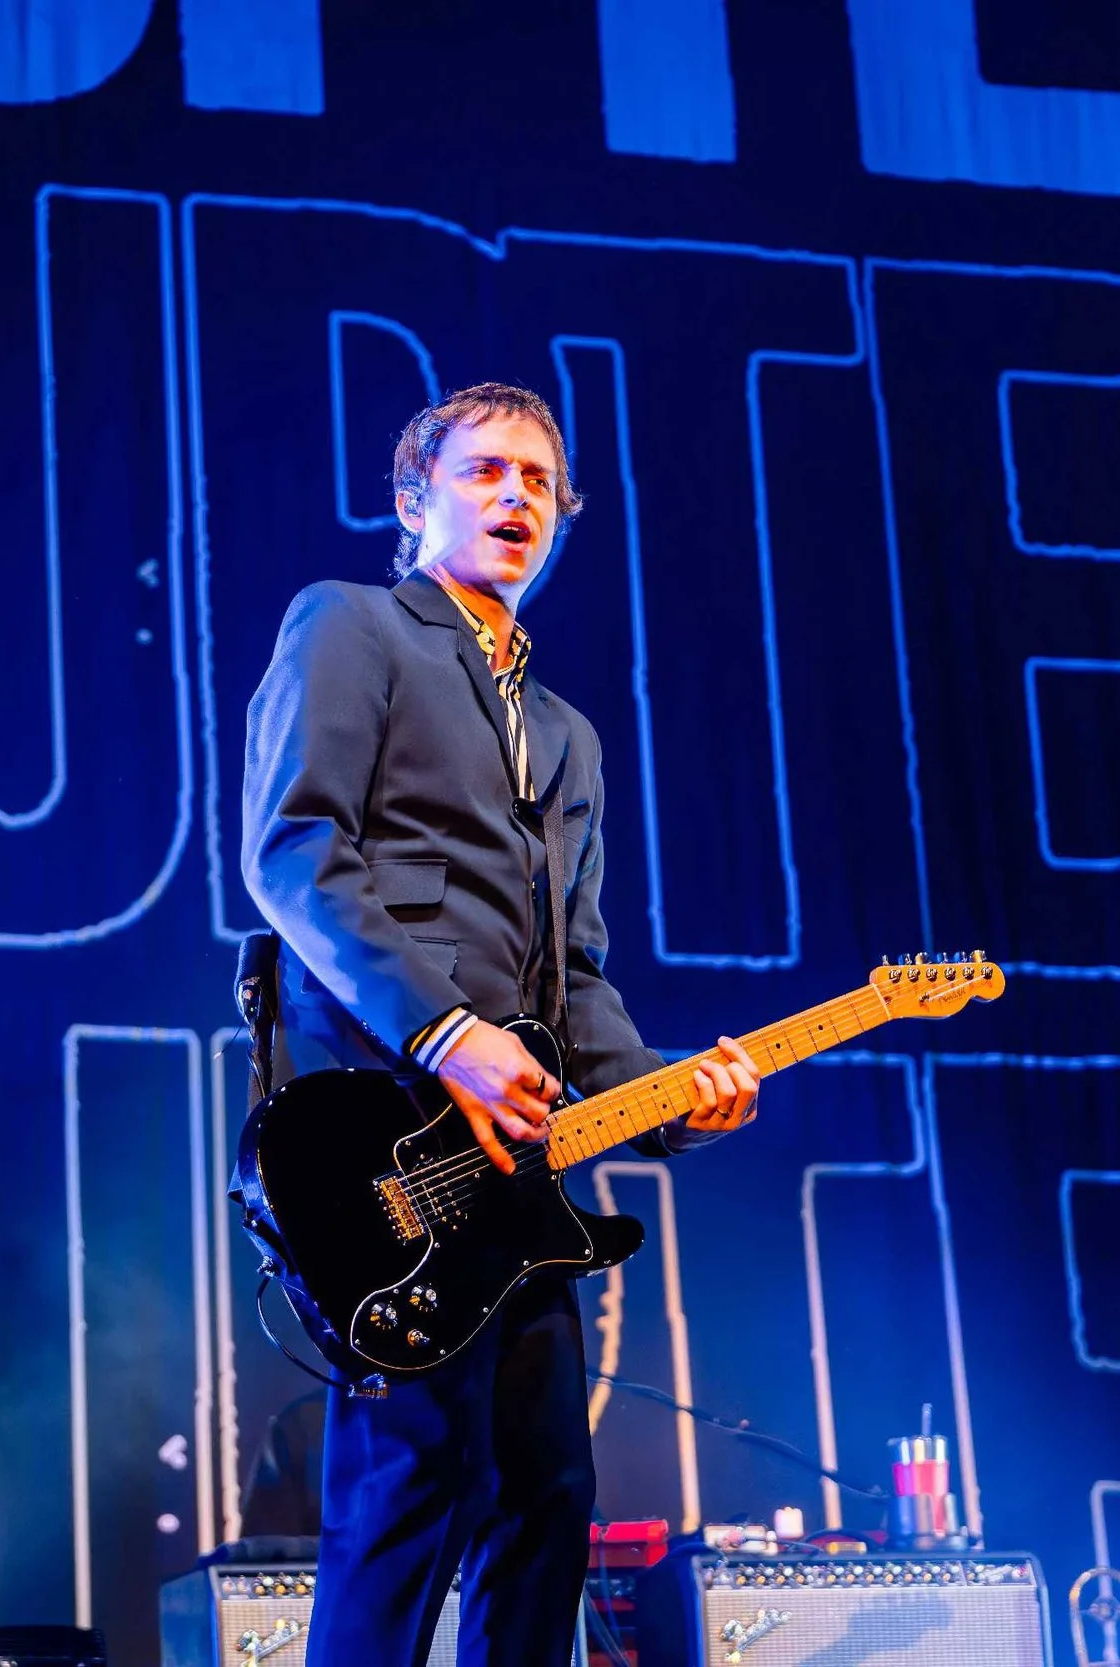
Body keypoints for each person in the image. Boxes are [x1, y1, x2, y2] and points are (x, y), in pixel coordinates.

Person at [241, 383, 761, 1663]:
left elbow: (573, 978)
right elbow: (294, 851)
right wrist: (442, 1032)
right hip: (387, 1130)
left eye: (538, 479)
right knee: (412, 1482)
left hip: (515, 1171)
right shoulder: (355, 623)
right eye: (483, 470)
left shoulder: (568, 736)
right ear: (413, 498)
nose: (515, 495)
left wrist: (674, 1098)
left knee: (546, 1496)